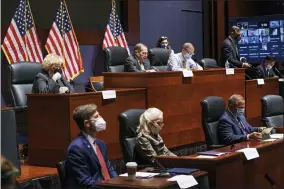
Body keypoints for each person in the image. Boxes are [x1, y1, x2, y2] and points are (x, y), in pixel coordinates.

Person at [65, 104, 117, 188]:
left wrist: (119, 183)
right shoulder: (77, 148)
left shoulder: (101, 144)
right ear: (87, 123)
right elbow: (85, 182)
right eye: (96, 116)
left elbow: (109, 169)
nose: (101, 118)